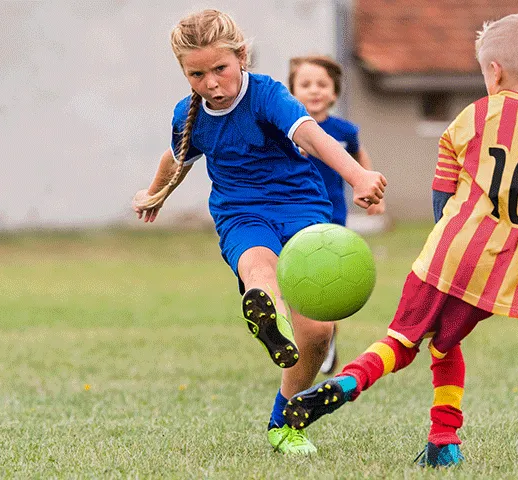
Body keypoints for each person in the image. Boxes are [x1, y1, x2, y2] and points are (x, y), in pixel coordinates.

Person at [281, 14, 518, 467]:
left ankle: (346, 383)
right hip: (502, 271)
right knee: (444, 345)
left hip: (450, 254)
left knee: (401, 341)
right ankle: (445, 441)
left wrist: (445, 232)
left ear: (493, 72)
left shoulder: (476, 114)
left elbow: (444, 184)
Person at [131, 9, 387, 455]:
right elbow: (175, 158)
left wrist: (357, 176)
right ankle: (266, 312)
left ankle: (285, 421)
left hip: (301, 208)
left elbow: (310, 135)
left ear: (241, 57)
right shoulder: (189, 115)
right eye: (197, 74)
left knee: (320, 333)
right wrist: (154, 194)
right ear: (183, 72)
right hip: (240, 212)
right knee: (257, 263)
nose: (211, 83)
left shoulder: (267, 94)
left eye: (220, 69)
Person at [287, 55, 385, 375]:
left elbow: (359, 154)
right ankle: (299, 335)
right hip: (291, 213)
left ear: (334, 93)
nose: (314, 91)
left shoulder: (343, 130)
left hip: (331, 218)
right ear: (292, 92)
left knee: (327, 284)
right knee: (295, 279)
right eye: (305, 84)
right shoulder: (286, 129)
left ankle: (327, 337)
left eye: (322, 85)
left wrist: (370, 189)